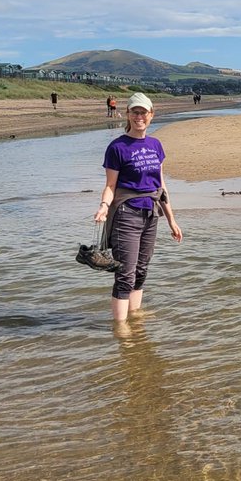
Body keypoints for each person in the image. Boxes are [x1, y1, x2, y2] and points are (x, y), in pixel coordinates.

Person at [93, 92, 182, 324]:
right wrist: (104, 206)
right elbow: (110, 185)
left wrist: (171, 219)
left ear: (151, 115)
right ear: (129, 114)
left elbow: (161, 186)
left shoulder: (156, 145)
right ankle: (121, 327)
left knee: (141, 270)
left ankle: (135, 315)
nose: (139, 116)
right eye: (135, 112)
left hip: (151, 214)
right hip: (126, 214)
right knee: (125, 272)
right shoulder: (117, 147)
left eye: (144, 112)